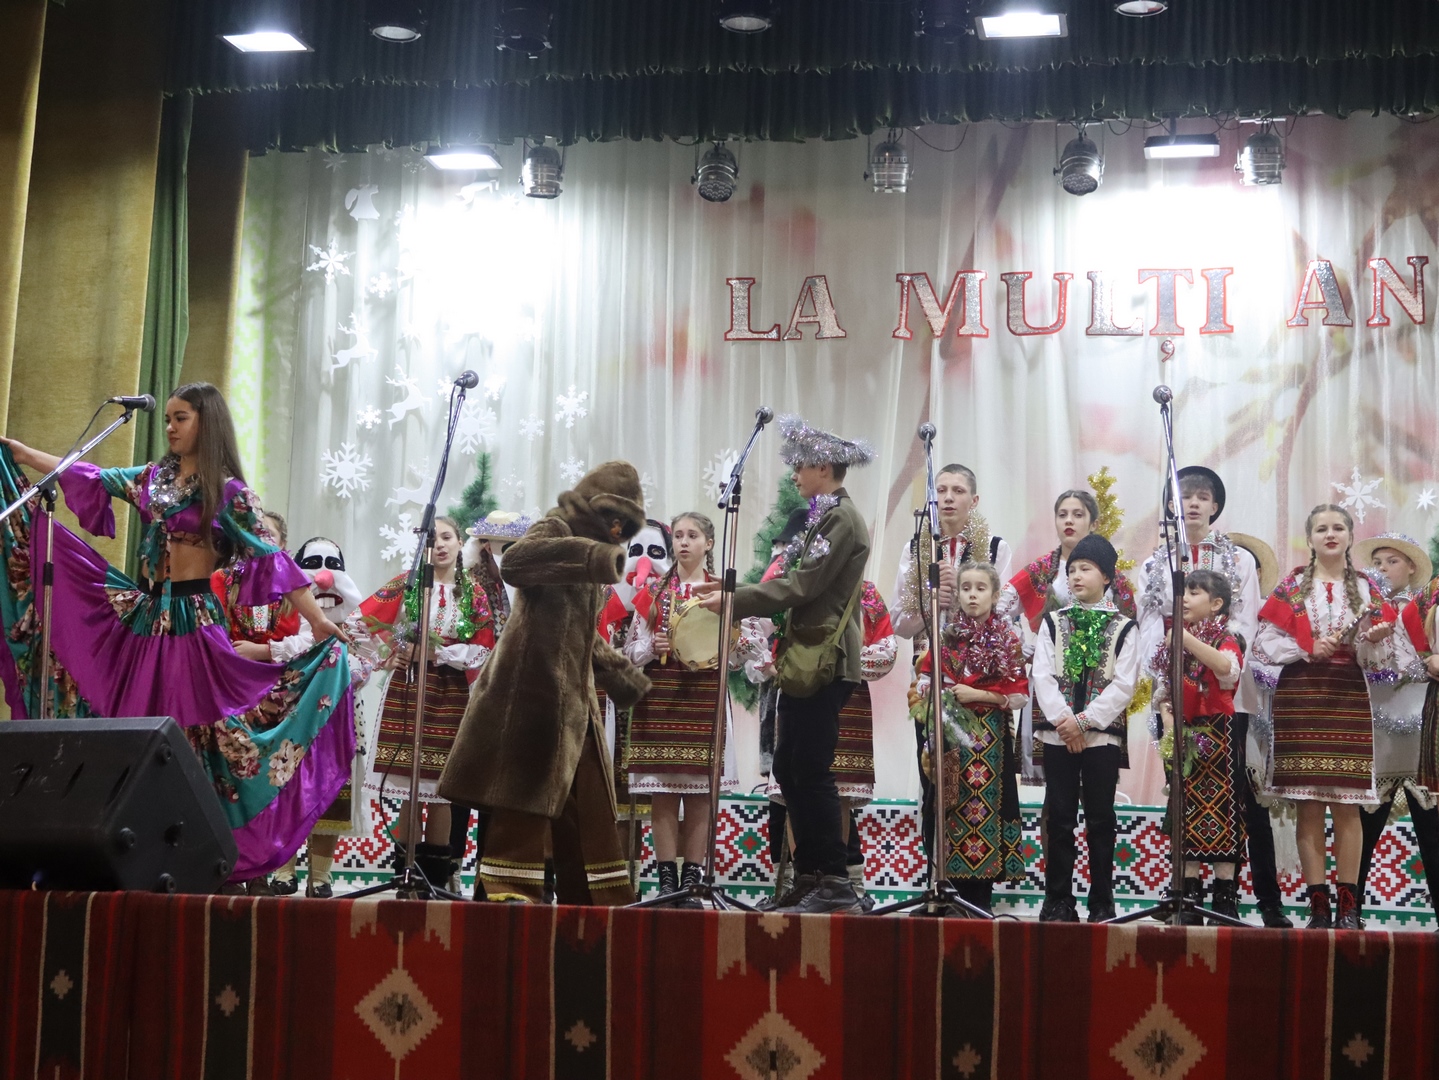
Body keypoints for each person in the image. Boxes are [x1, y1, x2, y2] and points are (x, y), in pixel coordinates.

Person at [0, 383, 353, 881]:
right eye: (167, 418)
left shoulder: (228, 492)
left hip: (194, 621)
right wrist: (21, 453)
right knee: (131, 718)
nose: (169, 427)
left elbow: (273, 558)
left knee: (201, 732)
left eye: (180, 418)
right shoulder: (155, 478)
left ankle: (197, 847)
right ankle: (130, 844)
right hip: (147, 617)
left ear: (206, 422)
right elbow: (91, 475)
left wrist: (316, 620)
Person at [437, 462, 653, 905]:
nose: (617, 530)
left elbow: (583, 633)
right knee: (522, 796)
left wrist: (622, 677)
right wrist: (593, 558)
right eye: (612, 517)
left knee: (588, 806)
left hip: (575, 702)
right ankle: (508, 895)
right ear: (592, 507)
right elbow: (516, 563)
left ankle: (595, 901)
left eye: (625, 525)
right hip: (529, 692)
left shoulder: (590, 556)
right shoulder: (555, 528)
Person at [696, 414, 872, 914]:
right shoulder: (825, 515)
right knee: (791, 769)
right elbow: (793, 579)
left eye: (799, 466)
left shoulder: (841, 518)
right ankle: (812, 876)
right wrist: (733, 588)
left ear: (823, 468)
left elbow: (803, 586)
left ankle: (834, 881)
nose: (794, 475)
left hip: (826, 661)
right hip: (805, 659)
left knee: (809, 769)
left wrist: (735, 599)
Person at [1134, 466, 1292, 927]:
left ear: (1215, 506)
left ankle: (1247, 899)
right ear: (1171, 505)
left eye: (1203, 497)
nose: (1193, 503)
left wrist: (1216, 653)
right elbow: (1148, 623)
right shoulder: (1156, 563)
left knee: (1239, 795)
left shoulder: (1237, 559)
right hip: (1175, 692)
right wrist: (1166, 667)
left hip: (1226, 695)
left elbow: (1246, 620)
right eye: (1184, 496)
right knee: (1182, 787)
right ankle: (1186, 893)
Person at [1253, 504, 1391, 930]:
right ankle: (1318, 908)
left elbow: (1381, 657)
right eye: (1321, 529)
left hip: (1348, 695)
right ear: (1310, 538)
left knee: (1347, 806)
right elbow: (1264, 642)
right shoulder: (1293, 585)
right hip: (1300, 695)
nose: (1330, 534)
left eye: (1337, 528)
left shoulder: (1367, 588)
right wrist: (1306, 648)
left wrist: (1372, 640)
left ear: (1349, 535)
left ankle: (1349, 908)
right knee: (1309, 805)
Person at [354, 516, 497, 889]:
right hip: (408, 688)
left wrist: (438, 654)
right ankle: (407, 878)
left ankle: (434, 878)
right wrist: (390, 654)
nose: (441, 545)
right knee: (409, 788)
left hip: (450, 694)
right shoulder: (409, 584)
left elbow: (484, 649)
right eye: (433, 539)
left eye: (447, 537)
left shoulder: (473, 594)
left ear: (460, 541)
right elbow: (361, 623)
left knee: (441, 791)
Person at [622, 511, 736, 907]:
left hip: (705, 693)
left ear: (709, 543)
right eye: (679, 535)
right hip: (662, 695)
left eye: (693, 535)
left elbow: (743, 649)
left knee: (700, 793)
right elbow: (629, 651)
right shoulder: (653, 591)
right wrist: (649, 647)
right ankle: (667, 882)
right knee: (664, 793)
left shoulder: (722, 591)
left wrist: (729, 646)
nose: (684, 542)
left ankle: (692, 882)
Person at [1031, 534, 1141, 922]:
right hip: (1058, 733)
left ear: (1107, 577)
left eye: (1086, 568)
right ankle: (1058, 899)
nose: (1077, 575)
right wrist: (1066, 722)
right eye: (1072, 569)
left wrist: (1084, 722)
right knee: (1059, 817)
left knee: (1100, 819)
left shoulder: (1125, 627)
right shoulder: (1053, 622)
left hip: (1101, 737)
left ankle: (1102, 902)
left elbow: (1124, 684)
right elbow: (1042, 675)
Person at [913, 562, 1029, 914]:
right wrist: (934, 694)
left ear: (995, 595)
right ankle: (948, 892)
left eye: (981, 588)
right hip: (952, 735)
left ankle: (980, 900)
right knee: (950, 804)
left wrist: (978, 695)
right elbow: (926, 679)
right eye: (966, 588)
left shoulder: (1008, 639)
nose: (973, 595)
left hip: (991, 738)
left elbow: (1019, 695)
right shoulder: (945, 637)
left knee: (987, 812)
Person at [1352, 532, 1439, 924]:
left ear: (1411, 567)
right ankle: (1350, 910)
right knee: (1365, 823)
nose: (1384, 569)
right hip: (1379, 725)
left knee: (1432, 827)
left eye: (1393, 561)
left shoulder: (1426, 607)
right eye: (1378, 562)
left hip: (1423, 723)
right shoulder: (1364, 609)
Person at [1151, 570, 1247, 923]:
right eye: (1184, 593)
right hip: (1183, 733)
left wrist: (1185, 639)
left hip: (1219, 734)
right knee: (1185, 811)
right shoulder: (1175, 641)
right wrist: (1169, 724)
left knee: (1223, 814)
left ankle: (1224, 898)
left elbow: (1227, 670)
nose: (1186, 599)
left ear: (1216, 603)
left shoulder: (1225, 637)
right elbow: (1164, 689)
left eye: (1194, 593)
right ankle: (1188, 894)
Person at [893, 463, 1012, 643]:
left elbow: (1004, 615)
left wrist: (963, 588)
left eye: (958, 491)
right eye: (941, 491)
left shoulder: (996, 548)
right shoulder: (914, 549)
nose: (948, 498)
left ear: (974, 501)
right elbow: (897, 624)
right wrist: (931, 604)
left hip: (979, 655)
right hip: (927, 658)